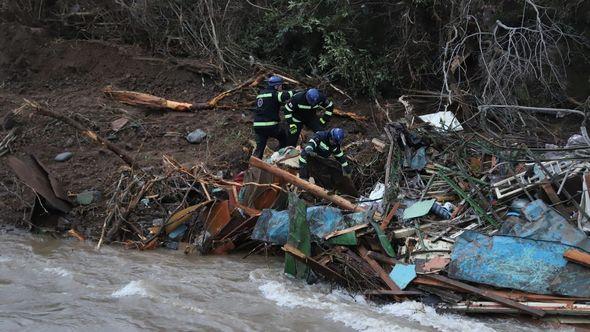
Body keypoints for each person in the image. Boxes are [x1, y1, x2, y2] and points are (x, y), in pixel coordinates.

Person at [252, 75, 295, 159]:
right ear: (276, 86)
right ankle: (280, 157)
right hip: (270, 125)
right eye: (281, 85)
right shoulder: (274, 94)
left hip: (257, 126)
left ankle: (255, 164)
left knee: (260, 147)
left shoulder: (260, 95)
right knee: (283, 137)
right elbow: (284, 96)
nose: (281, 87)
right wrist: (295, 92)